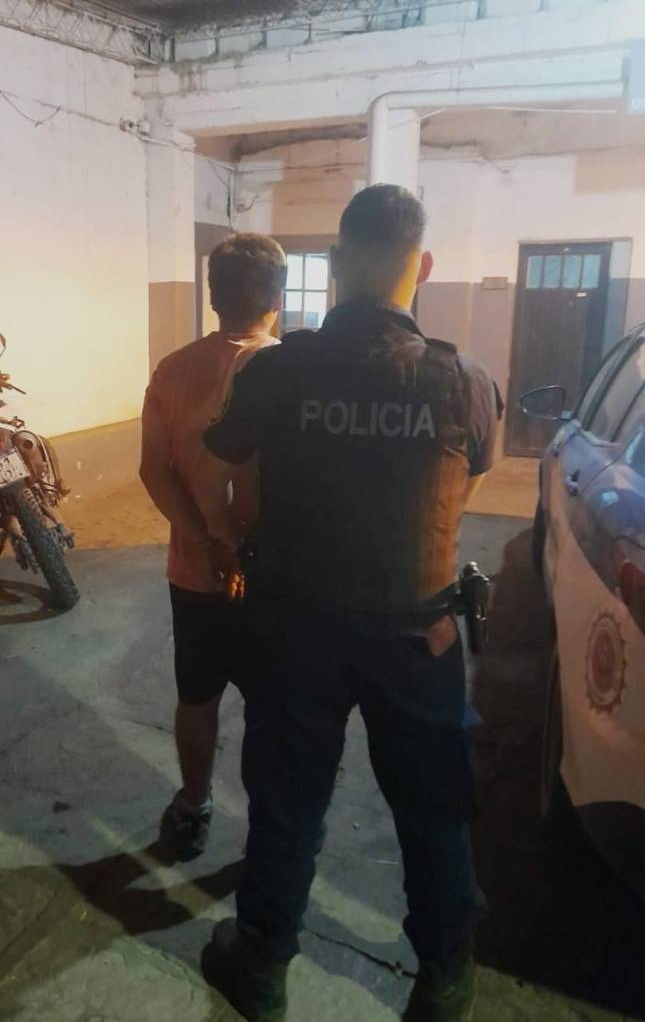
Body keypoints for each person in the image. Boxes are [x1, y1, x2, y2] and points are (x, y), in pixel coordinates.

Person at [202, 185, 499, 1022]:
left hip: (296, 631)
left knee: (286, 802)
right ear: (423, 267)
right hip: (418, 634)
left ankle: (262, 964)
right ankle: (444, 981)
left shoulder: (275, 370)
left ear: (334, 264)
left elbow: (226, 453)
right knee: (434, 814)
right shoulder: (463, 379)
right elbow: (465, 487)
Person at [139, 233, 287, 862]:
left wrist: (203, 541)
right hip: (270, 578)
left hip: (194, 574)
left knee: (196, 697)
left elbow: (154, 470)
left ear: (212, 295)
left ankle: (194, 805)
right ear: (277, 298)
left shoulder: (172, 370)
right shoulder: (288, 371)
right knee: (273, 709)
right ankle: (273, 831)